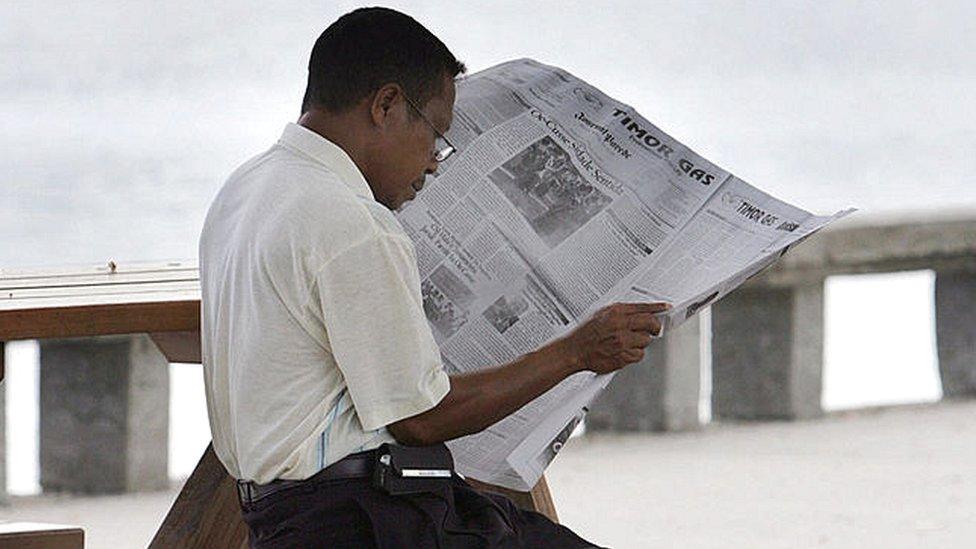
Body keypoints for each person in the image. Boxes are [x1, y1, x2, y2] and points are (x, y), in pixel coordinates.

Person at [199, 7, 668, 548]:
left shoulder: (245, 188)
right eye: (437, 135)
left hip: (279, 515)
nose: (434, 163)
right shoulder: (351, 221)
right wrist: (576, 352)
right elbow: (421, 420)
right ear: (387, 104)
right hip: (363, 520)